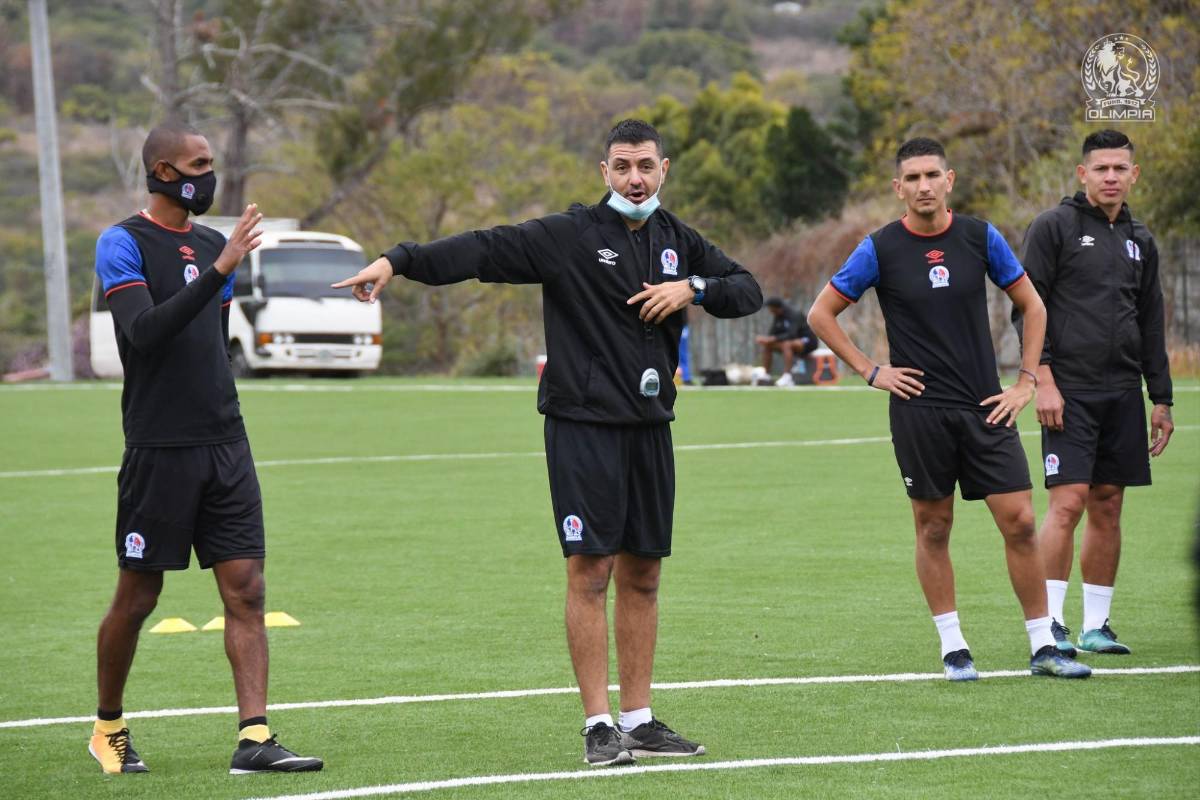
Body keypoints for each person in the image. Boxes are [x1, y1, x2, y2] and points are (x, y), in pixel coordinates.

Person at [333, 119, 763, 765]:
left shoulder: (680, 242)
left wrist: (692, 287)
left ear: (665, 169)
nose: (635, 178)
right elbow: (482, 248)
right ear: (604, 172)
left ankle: (640, 720)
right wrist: (399, 259)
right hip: (582, 425)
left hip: (651, 426)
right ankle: (598, 727)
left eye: (645, 165)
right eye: (622, 167)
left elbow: (748, 290)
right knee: (591, 571)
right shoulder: (570, 236)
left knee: (644, 573)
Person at [807, 137, 1091, 681]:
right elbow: (822, 314)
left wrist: (1027, 381)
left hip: (987, 405)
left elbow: (1032, 304)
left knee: (1022, 521)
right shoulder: (879, 248)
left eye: (931, 175)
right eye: (911, 178)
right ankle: (954, 646)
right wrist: (872, 370)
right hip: (919, 411)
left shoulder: (980, 237)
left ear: (950, 179)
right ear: (898, 188)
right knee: (933, 528)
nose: (923, 186)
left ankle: (1043, 645)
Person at [90, 123, 323, 775]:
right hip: (159, 447)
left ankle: (255, 737)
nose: (209, 174)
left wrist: (219, 266)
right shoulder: (121, 243)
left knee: (246, 588)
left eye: (212, 163)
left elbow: (207, 345)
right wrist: (219, 269)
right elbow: (145, 333)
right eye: (199, 163)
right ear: (163, 171)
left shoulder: (214, 244)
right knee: (138, 597)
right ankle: (108, 726)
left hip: (225, 441)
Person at [1014, 129, 1174, 657]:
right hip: (1069, 390)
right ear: (1082, 174)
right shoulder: (1054, 227)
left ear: (1134, 175)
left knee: (1109, 504)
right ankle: (1052, 622)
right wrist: (1045, 378)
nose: (1110, 177)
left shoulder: (1140, 240)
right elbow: (1027, 309)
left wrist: (1162, 398)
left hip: (1123, 392)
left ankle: (1097, 624)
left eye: (1120, 168)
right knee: (1068, 503)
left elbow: (1151, 323)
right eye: (1101, 168)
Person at [756, 296, 818, 386]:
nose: (770, 311)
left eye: (771, 308)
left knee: (786, 344)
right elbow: (772, 333)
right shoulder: (778, 316)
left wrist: (773, 339)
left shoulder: (794, 314)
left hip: (807, 342)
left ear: (777, 307)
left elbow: (792, 334)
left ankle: (787, 377)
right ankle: (766, 375)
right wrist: (767, 340)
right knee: (768, 345)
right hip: (790, 342)